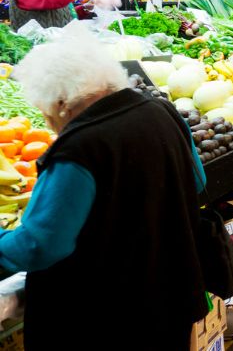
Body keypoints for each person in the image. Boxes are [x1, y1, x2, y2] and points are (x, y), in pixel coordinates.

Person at [5, 31, 208, 348]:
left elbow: (41, 245)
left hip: (101, 321)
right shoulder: (162, 111)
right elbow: (197, 181)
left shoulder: (79, 149)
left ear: (61, 103)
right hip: (171, 297)